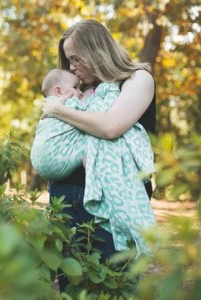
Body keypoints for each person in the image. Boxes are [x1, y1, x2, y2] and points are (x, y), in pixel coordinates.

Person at [40, 19, 157, 291]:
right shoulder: (78, 91)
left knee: (117, 284)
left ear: (96, 50)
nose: (71, 67)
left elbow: (110, 126)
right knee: (74, 286)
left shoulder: (138, 79)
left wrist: (57, 109)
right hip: (66, 196)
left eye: (76, 59)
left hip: (113, 198)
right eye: (68, 61)